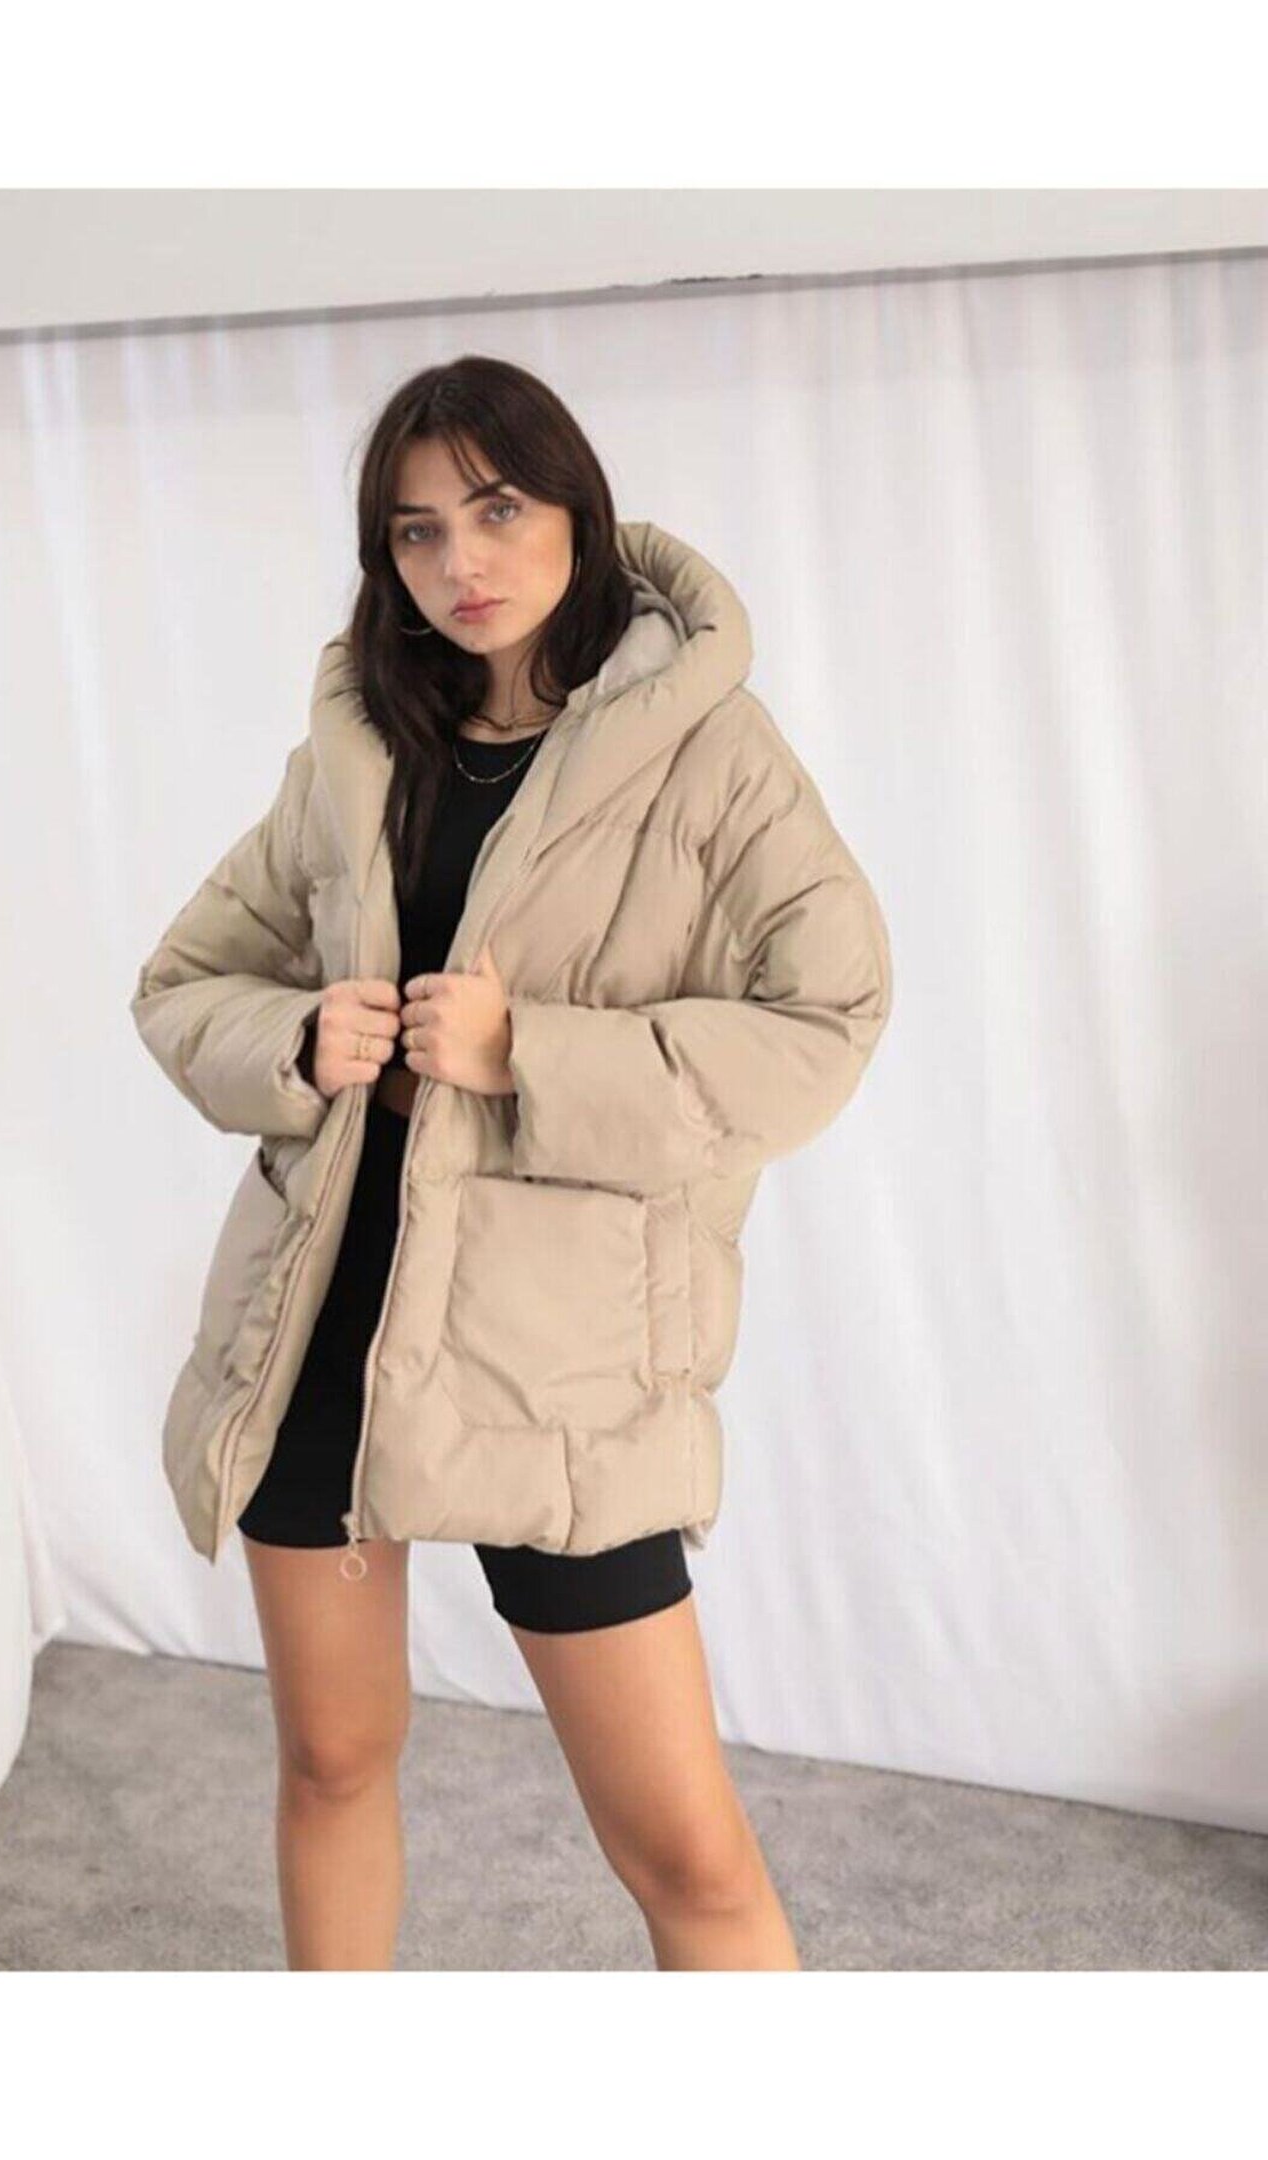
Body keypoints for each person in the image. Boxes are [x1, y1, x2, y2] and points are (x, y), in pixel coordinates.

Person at [130, 353, 893, 1971]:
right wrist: (297, 1037)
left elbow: (828, 1019)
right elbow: (186, 981)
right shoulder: (360, 751)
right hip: (322, 1319)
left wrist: (525, 1054)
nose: (459, 562)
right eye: (416, 532)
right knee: (332, 1760)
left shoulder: (710, 752)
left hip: (564, 1358)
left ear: (575, 511)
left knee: (684, 1851)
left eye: (495, 511)